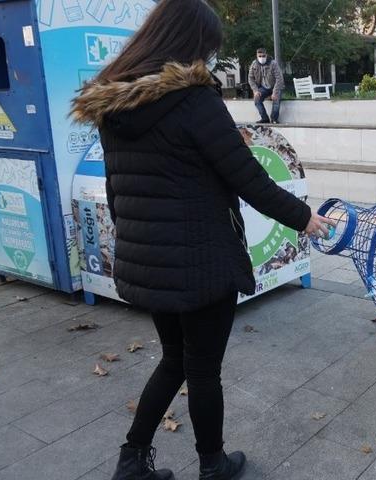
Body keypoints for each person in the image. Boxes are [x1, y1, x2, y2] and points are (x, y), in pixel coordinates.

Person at [70, 1, 335, 479]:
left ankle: (132, 461)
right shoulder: (195, 102)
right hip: (201, 262)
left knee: (174, 360)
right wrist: (304, 218)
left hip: (149, 260)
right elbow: (247, 177)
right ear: (192, 43)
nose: (210, 57)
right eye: (210, 47)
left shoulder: (115, 105)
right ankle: (213, 465)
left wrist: (137, 245)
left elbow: (115, 190)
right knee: (203, 369)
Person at [248, 48, 284, 124]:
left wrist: (275, 92)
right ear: (257, 56)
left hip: (275, 86)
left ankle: (274, 119)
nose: (262, 58)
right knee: (257, 99)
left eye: (263, 56)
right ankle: (264, 118)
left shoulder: (273, 63)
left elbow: (279, 78)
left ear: (266, 55)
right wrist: (255, 91)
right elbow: (250, 78)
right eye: (260, 56)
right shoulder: (254, 64)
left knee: (276, 100)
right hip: (264, 88)